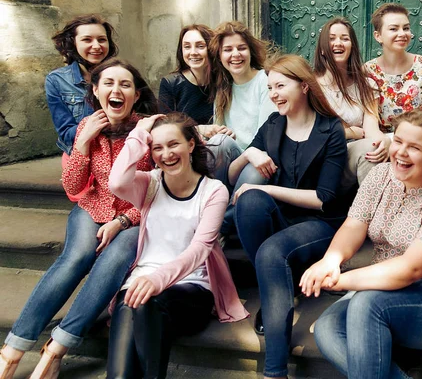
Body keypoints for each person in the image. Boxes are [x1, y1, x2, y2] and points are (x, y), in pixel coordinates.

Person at [0, 58, 156, 379]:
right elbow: (73, 185)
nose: (116, 90)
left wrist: (124, 220)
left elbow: (161, 190)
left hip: (135, 217)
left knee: (112, 261)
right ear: (96, 91)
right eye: (108, 83)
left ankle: (57, 347)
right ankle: (13, 349)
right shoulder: (87, 126)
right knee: (77, 256)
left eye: (125, 84)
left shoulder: (149, 130)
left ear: (136, 95)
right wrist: (83, 143)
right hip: (91, 206)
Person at [301, 109, 422, 379]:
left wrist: (337, 280)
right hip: (382, 290)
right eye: (398, 141)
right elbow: (352, 226)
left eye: (414, 147)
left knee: (366, 304)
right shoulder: (380, 176)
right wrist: (331, 261)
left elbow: (411, 270)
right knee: (329, 328)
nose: (401, 152)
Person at [106, 113, 248, 379]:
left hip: (192, 287)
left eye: (173, 144)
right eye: (157, 147)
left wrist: (158, 280)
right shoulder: (149, 184)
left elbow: (200, 249)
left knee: (145, 302)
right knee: (131, 304)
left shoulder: (214, 191)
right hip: (142, 285)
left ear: (191, 145)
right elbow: (116, 182)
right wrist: (140, 131)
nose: (166, 154)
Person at [231, 54, 347, 379]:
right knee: (249, 202)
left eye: (280, 85)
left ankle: (274, 372)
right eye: (269, 87)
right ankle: (277, 291)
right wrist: (249, 153)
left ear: (304, 86)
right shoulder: (272, 125)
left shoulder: (330, 130)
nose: (273, 94)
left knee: (270, 248)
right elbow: (230, 175)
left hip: (319, 226)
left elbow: (323, 199)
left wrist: (270, 191)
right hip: (280, 222)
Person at [208, 21, 277, 234]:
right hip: (235, 161)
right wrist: (218, 132)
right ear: (220, 56)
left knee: (259, 167)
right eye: (228, 50)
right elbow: (219, 134)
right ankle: (214, 213)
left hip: (259, 159)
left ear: (250, 51)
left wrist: (249, 156)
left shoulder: (264, 81)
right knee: (218, 142)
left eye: (241, 48)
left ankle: (217, 225)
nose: (235, 54)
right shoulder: (223, 88)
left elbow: (266, 137)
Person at [314, 17, 390, 189]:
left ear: (352, 47)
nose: (338, 43)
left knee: (376, 148)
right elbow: (313, 130)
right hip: (320, 158)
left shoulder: (366, 85)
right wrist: (350, 132)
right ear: (322, 49)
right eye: (332, 38)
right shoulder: (310, 86)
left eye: (345, 38)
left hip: (350, 156)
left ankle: (373, 212)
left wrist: (383, 140)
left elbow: (371, 127)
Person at [47, 14, 119, 155]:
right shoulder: (57, 80)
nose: (97, 46)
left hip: (118, 152)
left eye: (102, 40)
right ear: (72, 43)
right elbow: (66, 134)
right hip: (80, 154)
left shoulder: (122, 74)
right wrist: (91, 125)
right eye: (87, 39)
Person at [364, 3, 422, 134]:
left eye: (406, 28)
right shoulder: (368, 70)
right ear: (378, 36)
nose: (402, 34)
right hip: (382, 142)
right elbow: (369, 119)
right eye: (394, 29)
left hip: (417, 139)